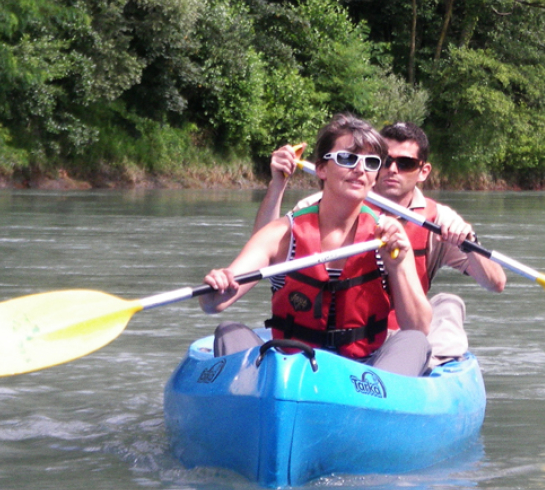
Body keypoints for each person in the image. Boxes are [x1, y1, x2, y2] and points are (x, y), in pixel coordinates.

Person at [200, 114, 433, 376]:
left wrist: (399, 265)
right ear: (321, 168)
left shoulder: (387, 237)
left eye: (370, 163)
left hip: (363, 372)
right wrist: (217, 284)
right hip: (289, 371)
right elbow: (213, 304)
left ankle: (375, 407)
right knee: (228, 331)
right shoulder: (282, 234)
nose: (359, 169)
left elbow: (419, 327)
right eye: (347, 158)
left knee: (414, 342)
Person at [254, 121, 505, 363]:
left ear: (423, 171)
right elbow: (263, 247)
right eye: (384, 161)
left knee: (448, 305)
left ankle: (421, 370)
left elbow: (495, 283)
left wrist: (468, 242)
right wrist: (277, 186)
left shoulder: (438, 220)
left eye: (405, 163)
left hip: (404, 333)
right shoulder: (325, 204)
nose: (392, 170)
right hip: (340, 333)